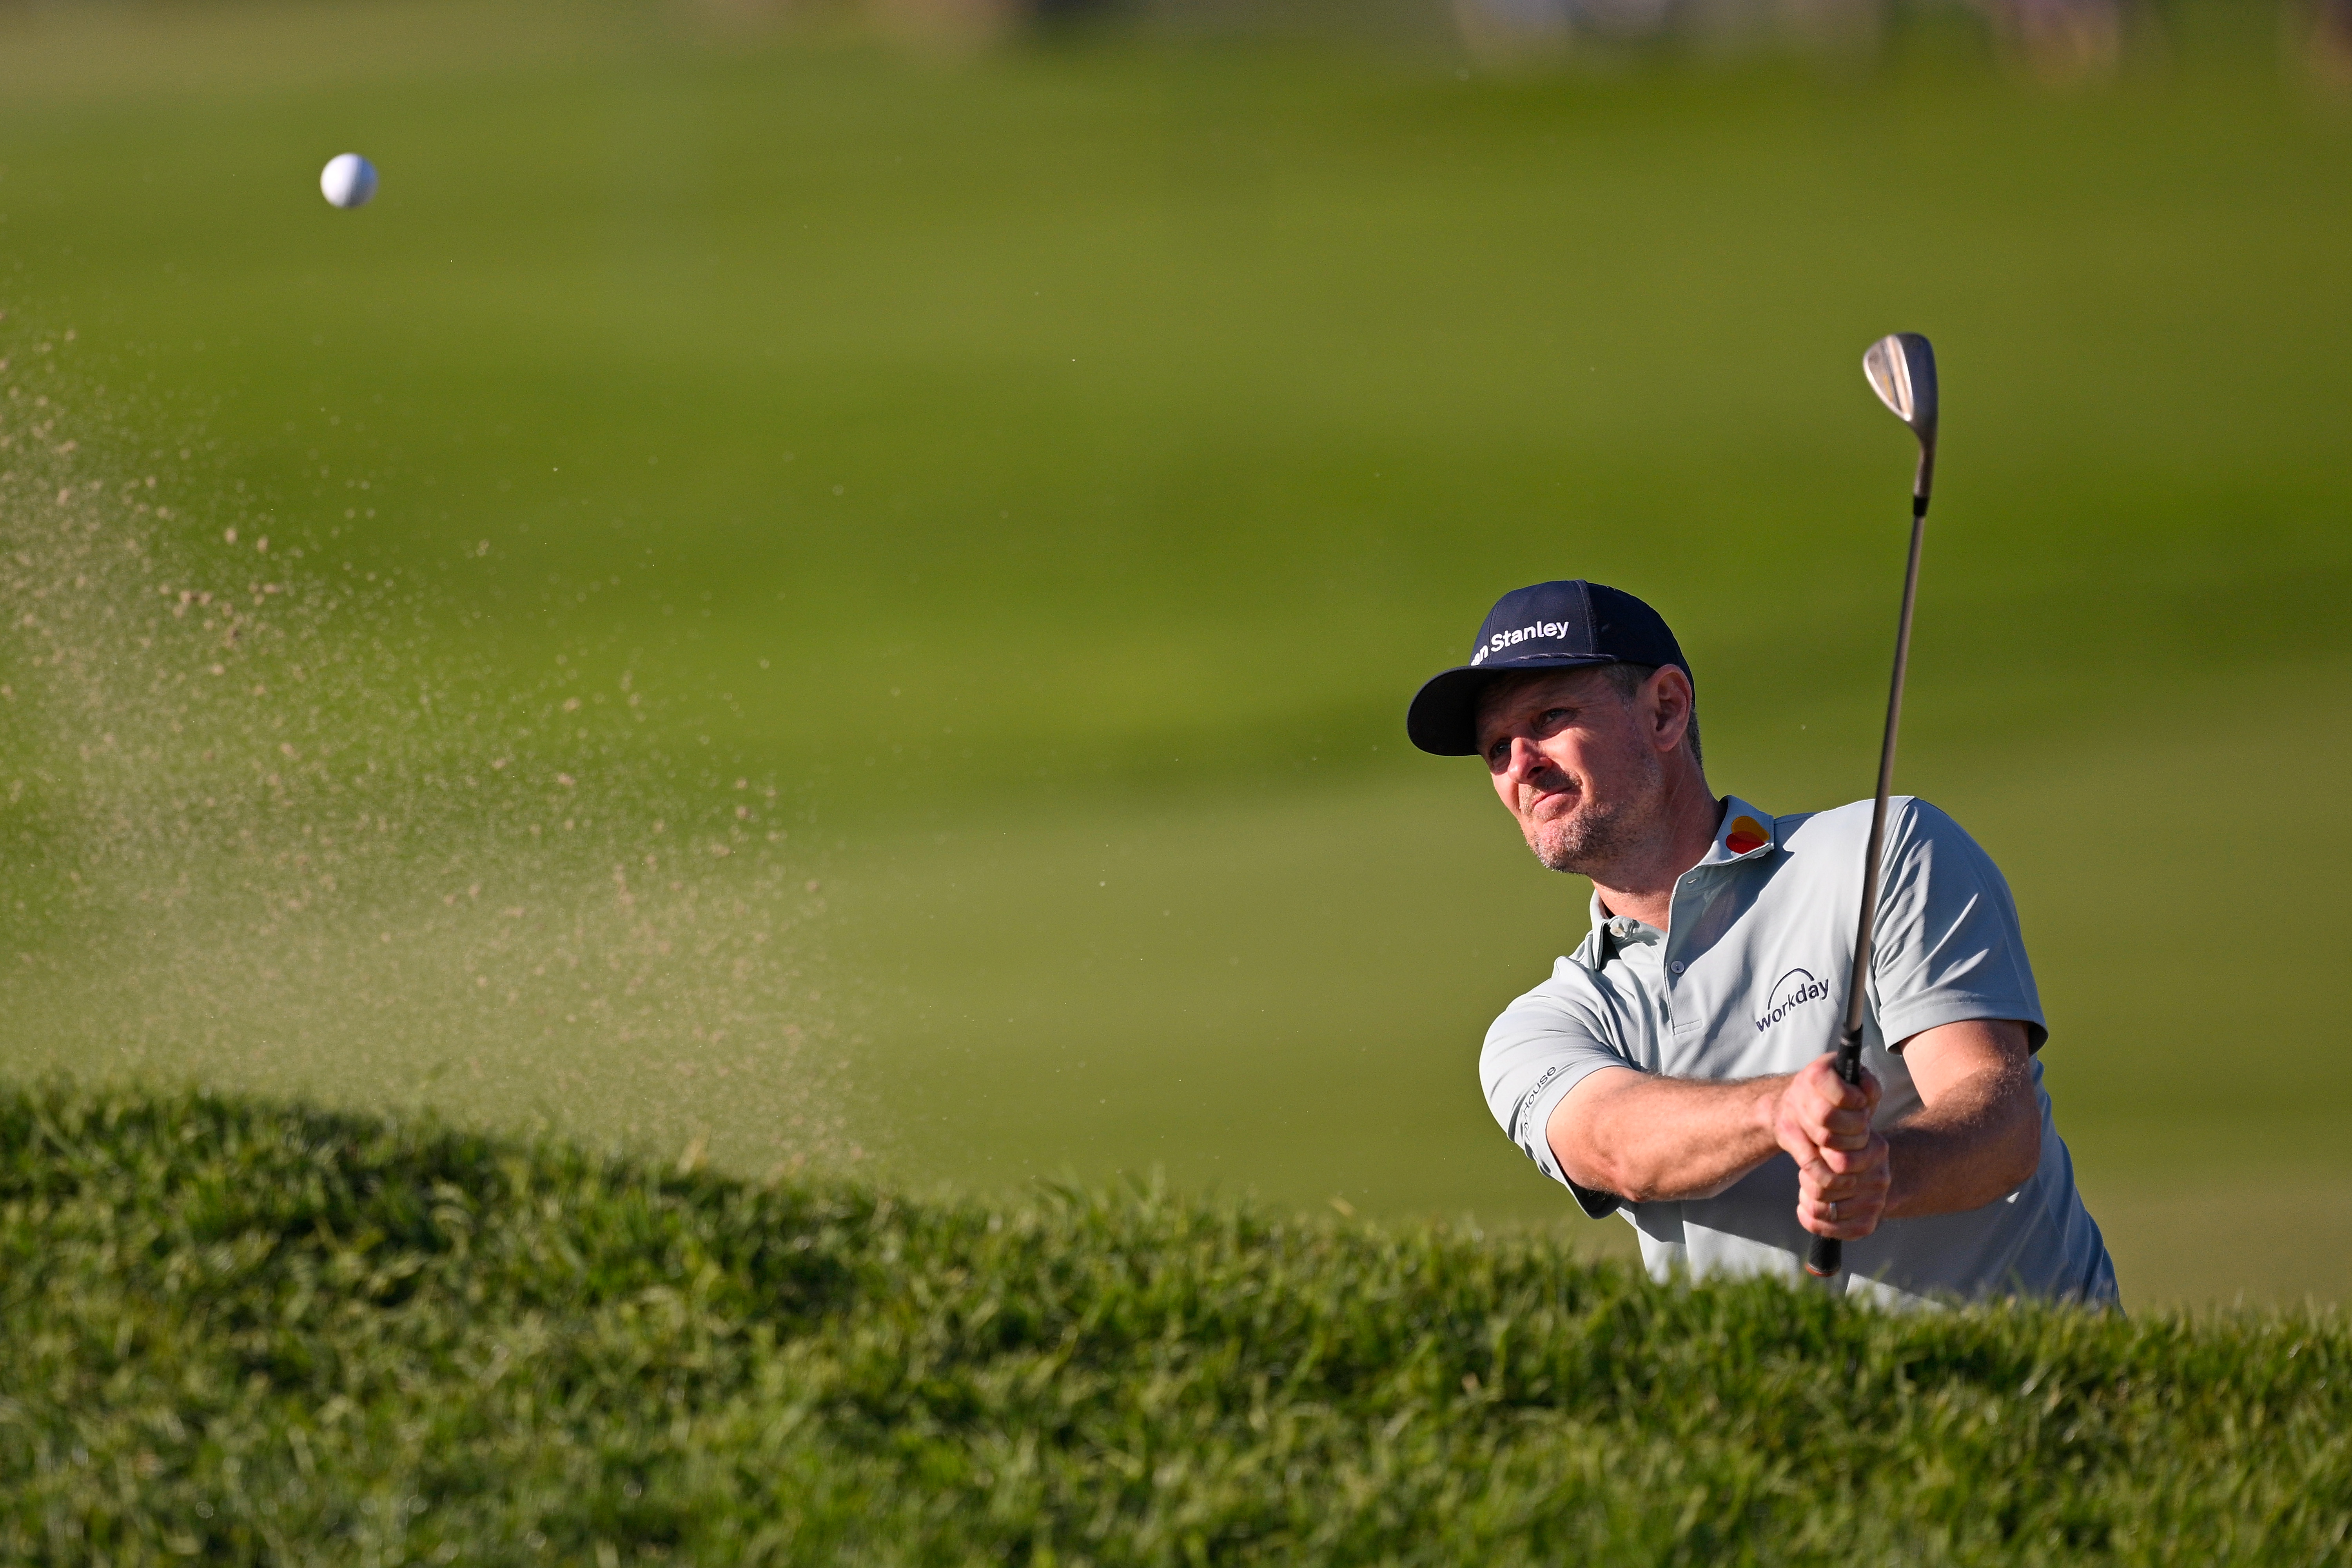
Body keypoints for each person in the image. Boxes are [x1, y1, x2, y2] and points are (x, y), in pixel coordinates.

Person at [1407, 579, 2115, 1307]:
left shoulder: (1880, 850)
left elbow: (1999, 1124)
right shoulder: (1539, 1027)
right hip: (1771, 1388)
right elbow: (1614, 1147)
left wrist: (1885, 1172)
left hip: (2030, 1374)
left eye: (1550, 718)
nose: (1520, 764)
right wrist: (1780, 1110)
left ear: (1665, 710)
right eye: (1496, 749)